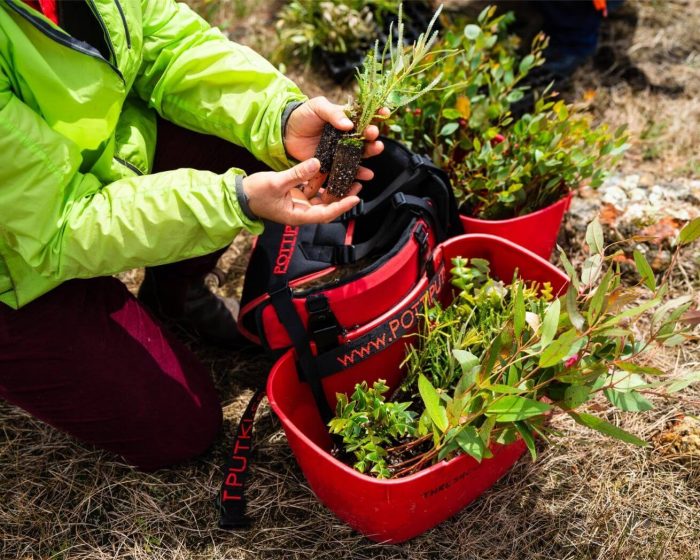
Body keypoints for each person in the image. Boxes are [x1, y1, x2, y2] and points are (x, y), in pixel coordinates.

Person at [0, 0, 384, 470]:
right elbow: (56, 226)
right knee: (180, 428)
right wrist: (232, 200)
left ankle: (172, 298)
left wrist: (278, 117)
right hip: (15, 263)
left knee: (254, 136)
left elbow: (172, 44)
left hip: (75, 182)